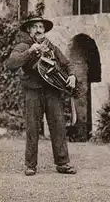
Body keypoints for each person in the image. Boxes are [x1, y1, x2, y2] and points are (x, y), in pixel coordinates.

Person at [6, 17, 77, 176]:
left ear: (44, 30)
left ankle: (63, 163)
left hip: (52, 91)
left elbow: (67, 63)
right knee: (32, 127)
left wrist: (72, 76)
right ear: (29, 30)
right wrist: (30, 51)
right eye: (35, 27)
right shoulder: (23, 46)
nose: (38, 29)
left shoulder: (51, 47)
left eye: (41, 27)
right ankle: (30, 165)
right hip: (33, 91)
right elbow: (11, 63)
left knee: (58, 125)